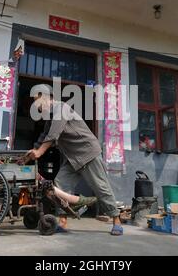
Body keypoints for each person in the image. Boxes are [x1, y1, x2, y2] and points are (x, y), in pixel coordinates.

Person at [23, 85, 124, 236]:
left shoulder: (61, 108)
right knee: (59, 186)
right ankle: (63, 222)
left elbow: (53, 134)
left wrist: (39, 152)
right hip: (72, 157)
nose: (36, 105)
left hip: (87, 152)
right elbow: (44, 135)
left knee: (101, 187)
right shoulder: (50, 116)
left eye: (37, 101)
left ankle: (116, 220)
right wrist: (30, 153)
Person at [0, 107, 96, 209]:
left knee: (35, 175)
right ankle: (71, 200)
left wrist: (1, 160)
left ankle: (67, 201)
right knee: (34, 175)